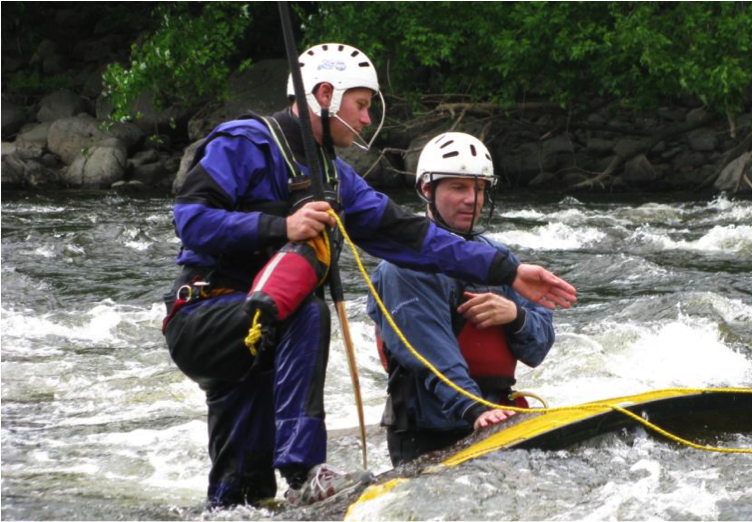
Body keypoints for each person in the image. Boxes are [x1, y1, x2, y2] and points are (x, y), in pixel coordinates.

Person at [162, 43, 576, 509]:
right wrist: (282, 226)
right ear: (323, 94)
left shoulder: (337, 178)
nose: (364, 120)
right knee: (308, 312)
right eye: (360, 105)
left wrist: (511, 270)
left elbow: (414, 237)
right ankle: (304, 472)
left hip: (263, 339)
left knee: (241, 495)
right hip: (207, 315)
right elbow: (190, 219)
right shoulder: (244, 142)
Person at [367, 132, 557, 467]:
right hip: (430, 430)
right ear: (427, 189)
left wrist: (516, 316)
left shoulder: (499, 258)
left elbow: (537, 349)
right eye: (458, 187)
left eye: (480, 188)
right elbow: (429, 354)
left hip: (494, 416)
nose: (473, 199)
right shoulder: (402, 266)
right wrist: (473, 408)